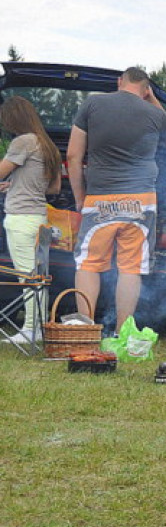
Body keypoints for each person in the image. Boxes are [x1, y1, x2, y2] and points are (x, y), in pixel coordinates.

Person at [66, 66, 166, 332]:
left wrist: (79, 198)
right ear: (145, 90)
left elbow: (73, 156)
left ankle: (85, 330)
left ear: (120, 81)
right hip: (141, 202)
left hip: (100, 199)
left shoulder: (92, 104)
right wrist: (153, 102)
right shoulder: (154, 113)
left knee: (89, 265)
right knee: (130, 268)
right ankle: (122, 331)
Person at [0, 96, 62, 345]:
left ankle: (31, 330)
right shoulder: (48, 146)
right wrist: (15, 186)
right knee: (38, 277)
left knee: (28, 278)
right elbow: (54, 188)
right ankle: (37, 326)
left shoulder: (23, 141)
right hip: (39, 217)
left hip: (21, 218)